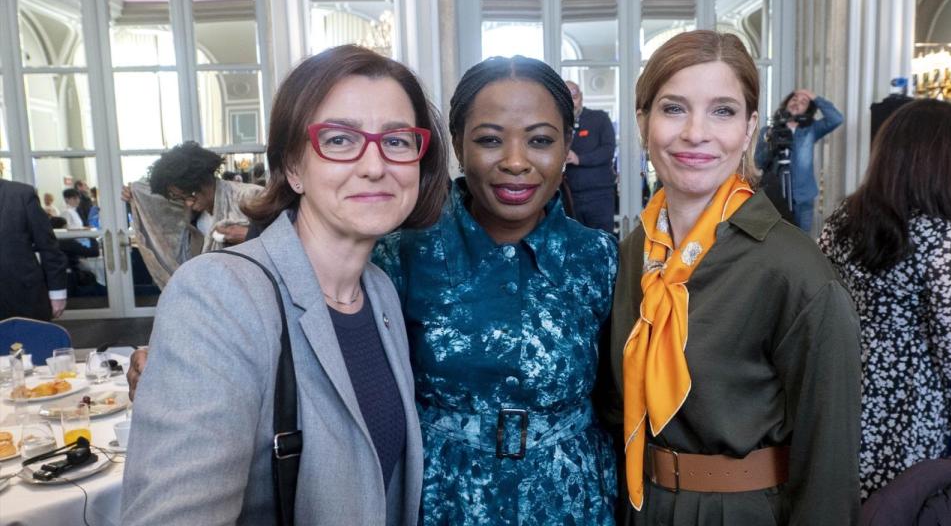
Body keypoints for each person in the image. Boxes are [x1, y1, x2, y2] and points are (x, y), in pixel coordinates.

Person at [121, 45, 449, 525]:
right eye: (339, 140)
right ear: (293, 167)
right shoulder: (218, 293)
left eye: (397, 141)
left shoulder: (377, 293)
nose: (375, 166)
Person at [609, 30, 862, 525]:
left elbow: (830, 465)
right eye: (674, 108)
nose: (695, 133)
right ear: (643, 123)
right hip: (640, 505)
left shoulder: (794, 270)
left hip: (742, 511)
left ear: (749, 130)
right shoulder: (631, 253)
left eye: (722, 111)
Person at [374, 56, 618, 525]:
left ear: (567, 145)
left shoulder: (600, 259)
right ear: (460, 147)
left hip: (572, 503)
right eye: (489, 140)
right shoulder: (401, 255)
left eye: (541, 141)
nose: (515, 161)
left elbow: (618, 399)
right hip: (443, 501)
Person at [818, 98, 951, 500]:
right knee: (901, 506)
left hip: (840, 390)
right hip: (910, 405)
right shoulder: (944, 239)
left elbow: (819, 307)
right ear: (943, 162)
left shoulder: (840, 223)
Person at [122, 141, 263, 289]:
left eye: (190, 195)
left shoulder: (250, 196)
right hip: (210, 294)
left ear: (204, 181)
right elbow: (154, 207)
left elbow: (283, 244)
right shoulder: (190, 211)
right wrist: (133, 196)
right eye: (180, 198)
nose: (188, 203)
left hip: (246, 292)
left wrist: (247, 235)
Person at [754, 88, 843, 232]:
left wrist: (814, 96)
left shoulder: (811, 129)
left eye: (803, 102)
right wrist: (769, 141)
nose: (797, 103)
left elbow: (836, 118)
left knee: (802, 241)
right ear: (787, 102)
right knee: (775, 240)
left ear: (808, 109)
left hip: (803, 198)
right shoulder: (768, 131)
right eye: (794, 99)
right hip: (774, 196)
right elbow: (758, 162)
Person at [0, 179, 67, 321]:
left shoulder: (21, 194)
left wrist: (57, 293)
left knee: (31, 341)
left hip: (22, 296)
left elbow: (48, 245)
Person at [563, 79, 617, 233]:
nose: (572, 103)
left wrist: (579, 159)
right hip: (570, 196)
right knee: (576, 245)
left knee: (603, 242)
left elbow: (608, 151)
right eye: (566, 99)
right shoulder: (560, 124)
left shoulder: (599, 118)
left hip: (599, 195)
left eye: (574, 97)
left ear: (581, 97)